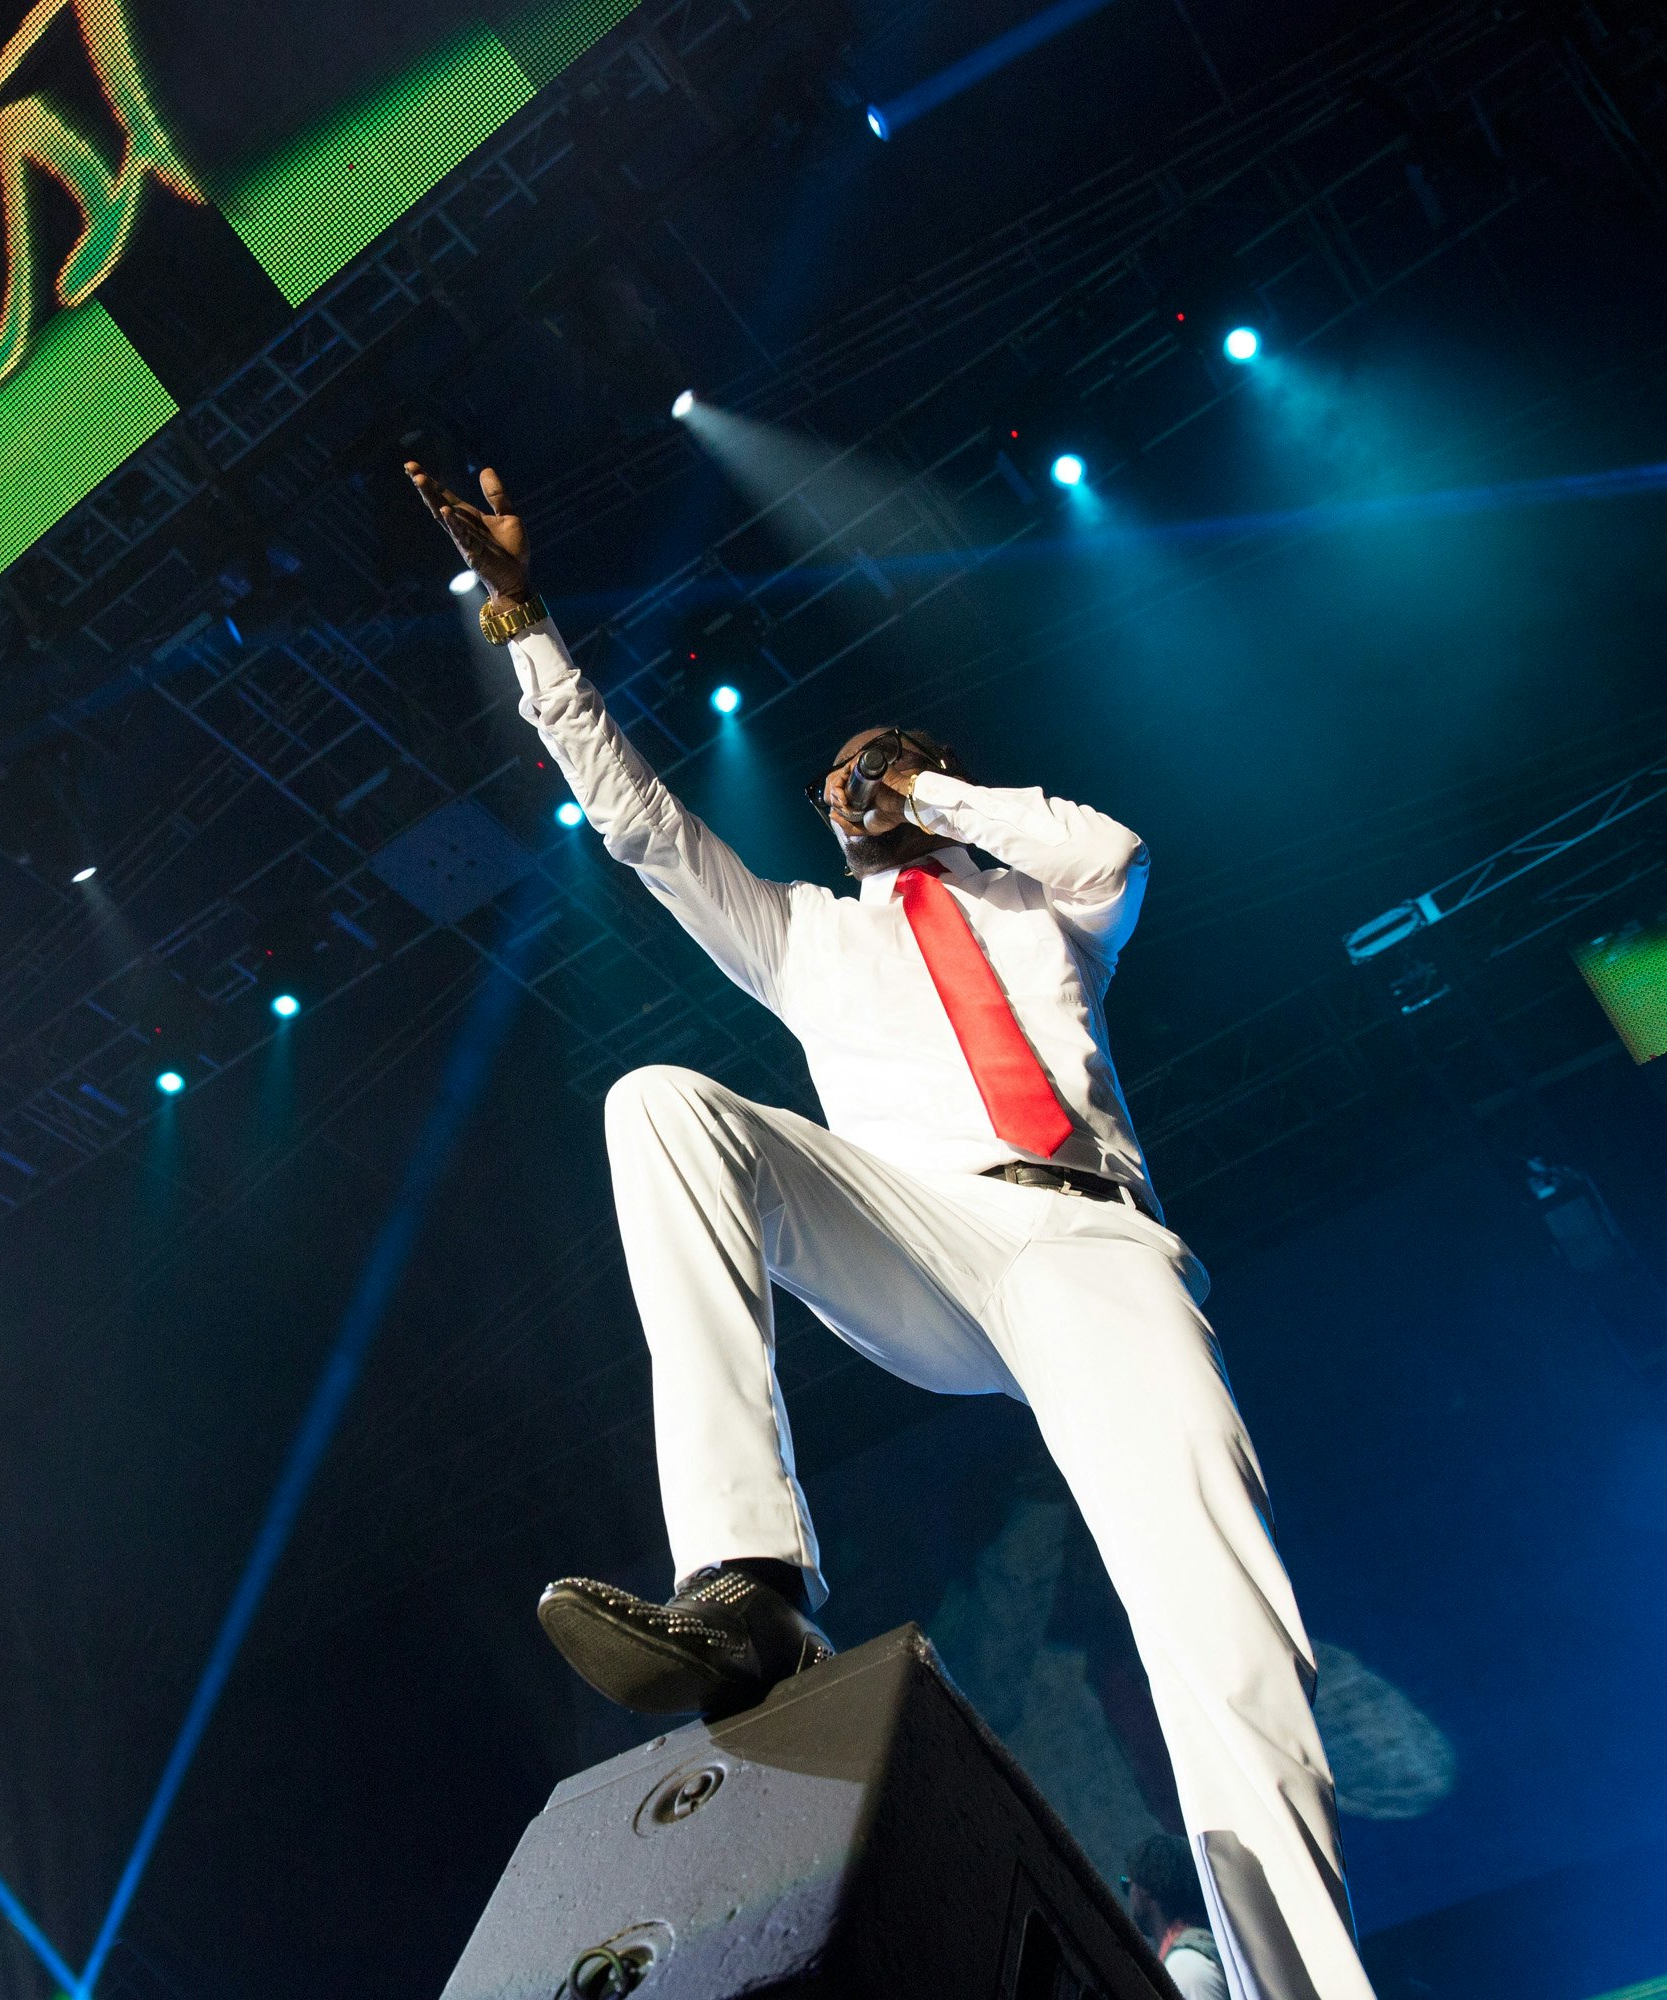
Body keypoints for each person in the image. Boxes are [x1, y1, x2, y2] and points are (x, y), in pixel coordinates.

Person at [406, 459, 1377, 2000]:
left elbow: (1111, 851)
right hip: (915, 1240)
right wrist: (519, 618)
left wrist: (930, 798)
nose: (866, 782)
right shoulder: (803, 936)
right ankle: (749, 1589)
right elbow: (644, 825)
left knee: (1222, 1630)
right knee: (659, 1100)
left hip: (1092, 1249)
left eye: (898, 766)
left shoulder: (1041, 906)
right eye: (851, 776)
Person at [1129, 1831, 1233, 2000]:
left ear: (1144, 1889)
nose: (1129, 1895)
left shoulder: (1184, 1966)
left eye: (1127, 1884)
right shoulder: (1202, 1946)